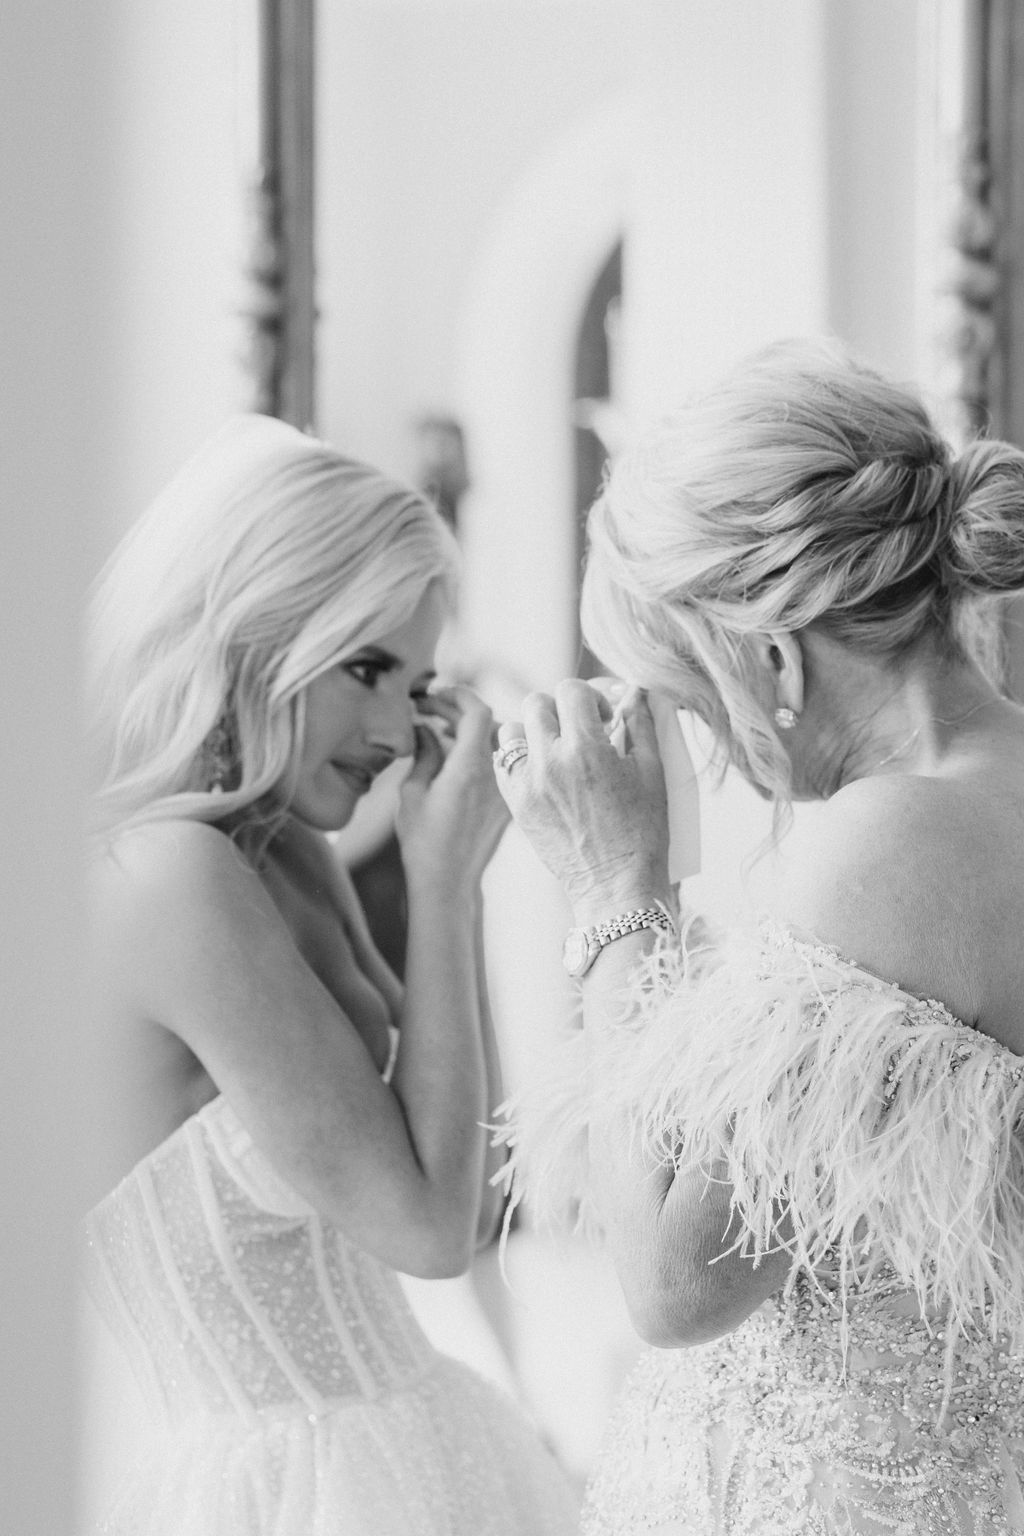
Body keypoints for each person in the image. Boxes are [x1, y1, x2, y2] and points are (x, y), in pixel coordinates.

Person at [491, 339, 1024, 1532]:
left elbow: (678, 1284)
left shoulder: (894, 841)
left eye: (690, 699)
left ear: (770, 654)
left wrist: (614, 885)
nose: (716, 757)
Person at [83, 413, 579, 1536]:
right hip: (278, 1494)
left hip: (423, 1450)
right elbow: (428, 1231)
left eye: (416, 681)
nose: (402, 730)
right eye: (368, 669)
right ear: (259, 639)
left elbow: (465, 1174)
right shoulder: (165, 877)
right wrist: (445, 886)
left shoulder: (283, 849)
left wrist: (455, 878)